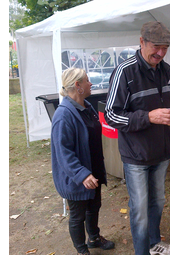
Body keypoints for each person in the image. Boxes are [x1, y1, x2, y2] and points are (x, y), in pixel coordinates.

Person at [105, 21, 170, 255]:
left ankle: (154, 242)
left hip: (161, 151)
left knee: (157, 202)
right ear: (142, 42)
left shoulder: (166, 70)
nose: (160, 52)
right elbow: (111, 115)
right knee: (139, 209)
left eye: (165, 47)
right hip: (136, 155)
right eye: (156, 46)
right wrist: (149, 117)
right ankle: (142, 252)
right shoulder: (124, 71)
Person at [51, 68, 115, 255]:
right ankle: (81, 250)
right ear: (77, 86)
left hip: (92, 169)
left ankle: (94, 238)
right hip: (76, 177)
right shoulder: (64, 115)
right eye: (87, 80)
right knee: (77, 216)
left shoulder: (86, 107)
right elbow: (63, 152)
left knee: (94, 206)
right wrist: (82, 174)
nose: (91, 83)